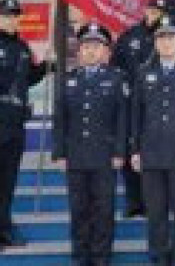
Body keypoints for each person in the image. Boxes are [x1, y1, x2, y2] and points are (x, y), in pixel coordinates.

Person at [0, 0, 52, 252]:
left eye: (15, 15)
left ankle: (4, 228)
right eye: (6, 15)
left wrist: (47, 66)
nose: (11, 20)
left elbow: (28, 78)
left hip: (16, 124)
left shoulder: (23, 48)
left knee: (8, 181)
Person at [129, 16, 175, 266]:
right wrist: (135, 150)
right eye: (162, 38)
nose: (166, 42)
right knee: (156, 210)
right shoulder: (143, 73)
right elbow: (136, 115)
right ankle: (159, 256)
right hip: (151, 152)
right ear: (156, 43)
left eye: (171, 38)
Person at [52, 23, 126, 266]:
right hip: (76, 155)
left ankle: (101, 256)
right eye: (86, 46)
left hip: (105, 155)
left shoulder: (115, 79)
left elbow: (122, 119)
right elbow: (60, 120)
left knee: (104, 209)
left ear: (104, 51)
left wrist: (119, 152)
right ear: (79, 51)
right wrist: (60, 153)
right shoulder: (68, 80)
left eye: (96, 46)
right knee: (79, 209)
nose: (91, 51)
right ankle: (80, 256)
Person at [111, 0, 165, 217]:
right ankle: (134, 202)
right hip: (132, 102)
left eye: (157, 11)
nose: (153, 14)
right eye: (150, 9)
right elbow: (117, 65)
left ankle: (156, 202)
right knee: (131, 149)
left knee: (156, 153)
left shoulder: (170, 35)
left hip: (159, 104)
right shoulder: (130, 35)